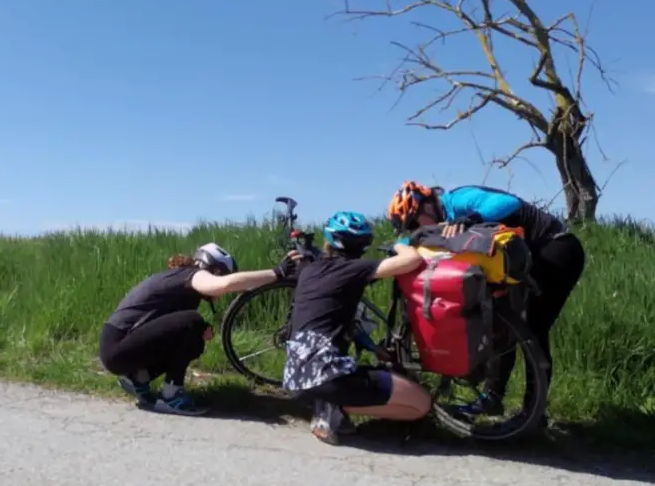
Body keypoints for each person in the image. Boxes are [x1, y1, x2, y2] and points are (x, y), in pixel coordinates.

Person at [386, 181, 587, 425]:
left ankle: (534, 415)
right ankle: (492, 398)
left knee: (532, 329)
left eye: (415, 222)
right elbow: (421, 239)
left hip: (556, 249)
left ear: (426, 209)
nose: (417, 228)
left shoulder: (458, 200)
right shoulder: (441, 221)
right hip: (525, 260)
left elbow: (509, 203)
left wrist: (471, 217)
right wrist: (399, 248)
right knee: (500, 325)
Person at [283, 211, 432, 445]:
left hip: (296, 376)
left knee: (390, 384)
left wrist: (373, 348)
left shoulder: (309, 271)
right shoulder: (355, 270)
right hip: (327, 375)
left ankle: (325, 402)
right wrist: (402, 243)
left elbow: (338, 319)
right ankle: (335, 408)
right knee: (421, 404)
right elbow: (411, 261)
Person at [98, 242, 294, 416]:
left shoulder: (180, 282)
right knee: (193, 321)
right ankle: (172, 396)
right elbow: (224, 285)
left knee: (195, 335)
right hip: (117, 348)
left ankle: (138, 377)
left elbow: (166, 329)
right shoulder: (193, 274)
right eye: (222, 273)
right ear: (214, 269)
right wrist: (276, 272)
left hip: (118, 345)